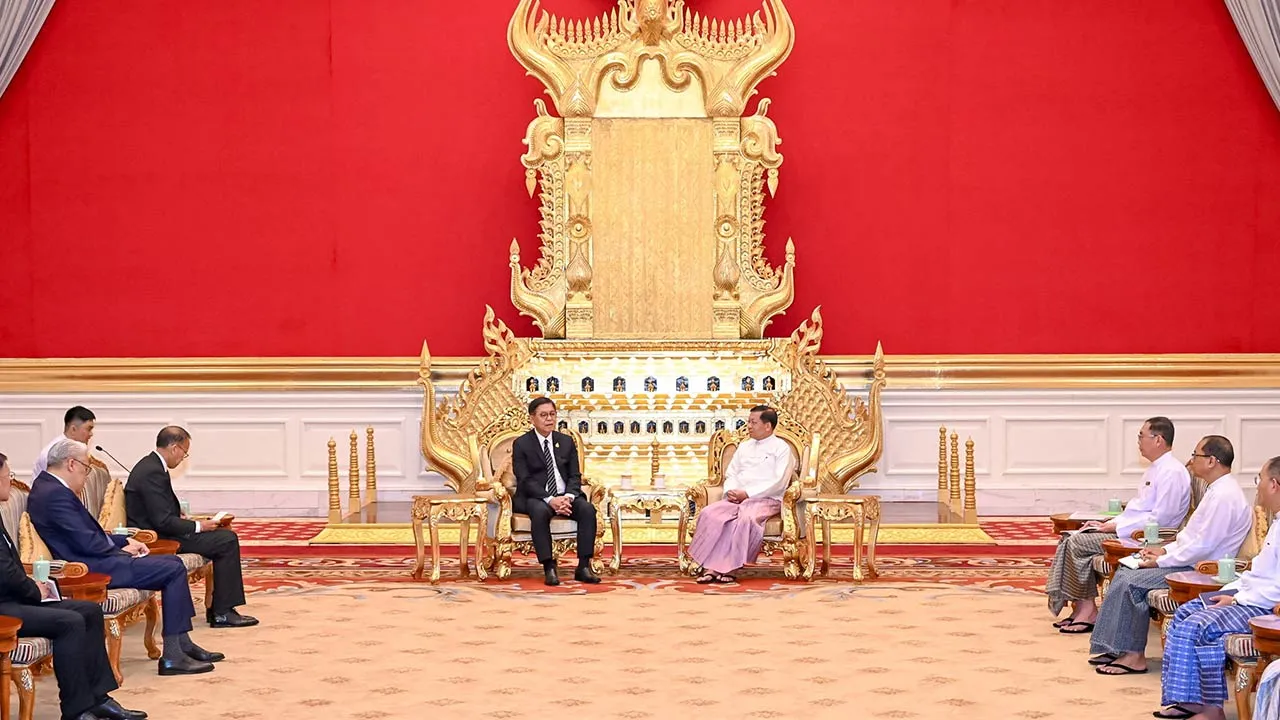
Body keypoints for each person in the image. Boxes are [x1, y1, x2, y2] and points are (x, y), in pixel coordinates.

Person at [28, 439, 222, 675]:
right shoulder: (54, 494)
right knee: (172, 568)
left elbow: (88, 534)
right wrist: (120, 550)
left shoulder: (50, 488)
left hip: (96, 557)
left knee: (172, 563)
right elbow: (86, 541)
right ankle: (173, 654)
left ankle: (181, 643)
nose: (86, 474)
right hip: (92, 569)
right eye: (85, 468)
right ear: (71, 464)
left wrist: (124, 541)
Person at [0, 451, 147, 720]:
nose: (10, 480)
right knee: (69, 622)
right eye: (7, 475)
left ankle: (98, 699)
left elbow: (10, 567)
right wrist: (34, 590)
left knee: (89, 611)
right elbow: (5, 571)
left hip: (13, 595)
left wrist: (35, 584)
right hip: (5, 607)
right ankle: (76, 710)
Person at [1090, 435, 1252, 675]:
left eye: (1196, 455)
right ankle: (1118, 647)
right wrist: (1164, 549)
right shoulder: (1216, 490)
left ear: (1212, 461)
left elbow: (1203, 547)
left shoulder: (1225, 496)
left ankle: (1133, 656)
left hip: (1202, 570)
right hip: (1187, 560)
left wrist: (1160, 560)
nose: (1191, 460)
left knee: (1132, 581)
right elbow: (1191, 537)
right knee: (1126, 570)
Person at [1153, 455, 1280, 720]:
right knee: (1185, 612)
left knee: (1197, 626)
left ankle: (1211, 710)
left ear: (1274, 485)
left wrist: (1235, 600)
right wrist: (1231, 592)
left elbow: (1274, 588)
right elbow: (1258, 572)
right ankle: (1189, 701)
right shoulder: (1277, 522)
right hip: (1247, 595)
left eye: (1260, 479)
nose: (1257, 486)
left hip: (1262, 607)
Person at [1048, 416, 1191, 633]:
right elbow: (1137, 508)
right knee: (1070, 537)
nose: (1139, 441)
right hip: (1129, 530)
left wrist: (1116, 528)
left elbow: (1161, 519)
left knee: (1077, 543)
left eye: (1141, 436)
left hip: (1147, 537)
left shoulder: (1172, 472)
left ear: (1158, 440)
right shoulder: (1155, 468)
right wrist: (1109, 523)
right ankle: (1082, 608)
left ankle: (1087, 611)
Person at [125, 426, 256, 628]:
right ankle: (222, 612)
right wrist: (198, 526)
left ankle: (220, 608)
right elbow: (162, 521)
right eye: (184, 453)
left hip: (161, 530)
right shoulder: (152, 471)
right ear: (175, 448)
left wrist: (184, 518)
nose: (182, 458)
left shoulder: (151, 465)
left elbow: (160, 510)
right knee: (226, 540)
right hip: (159, 538)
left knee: (222, 536)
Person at [688, 406, 792, 584]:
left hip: (766, 499)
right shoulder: (744, 446)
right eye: (748, 422)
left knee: (746, 518)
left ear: (768, 426)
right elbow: (732, 473)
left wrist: (749, 494)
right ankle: (710, 567)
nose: (749, 426)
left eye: (753, 422)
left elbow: (779, 481)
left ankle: (730, 567)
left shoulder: (781, 449)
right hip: (737, 498)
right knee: (710, 513)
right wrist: (732, 491)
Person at [510, 398, 600, 586]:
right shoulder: (522, 444)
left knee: (587, 510)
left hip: (565, 496)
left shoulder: (566, 442)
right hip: (537, 496)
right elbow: (525, 480)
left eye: (552, 414)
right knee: (540, 512)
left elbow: (575, 476)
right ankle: (549, 567)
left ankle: (583, 567)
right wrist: (550, 499)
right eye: (543, 415)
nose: (549, 419)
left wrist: (567, 497)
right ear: (532, 418)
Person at [33, 406, 96, 477]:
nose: (91, 434)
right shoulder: (52, 453)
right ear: (73, 429)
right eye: (89, 429)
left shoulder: (77, 450)